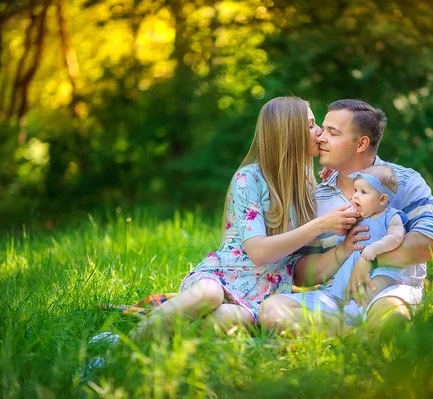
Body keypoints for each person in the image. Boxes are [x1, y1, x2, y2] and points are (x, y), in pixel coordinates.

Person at [131, 97, 362, 340]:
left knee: (231, 318)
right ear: (289, 133)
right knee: (209, 294)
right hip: (222, 276)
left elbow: (302, 271)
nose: (320, 132)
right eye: (311, 125)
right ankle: (123, 345)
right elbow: (259, 253)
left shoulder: (308, 186)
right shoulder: (248, 179)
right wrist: (320, 225)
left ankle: (164, 341)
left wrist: (346, 247)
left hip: (262, 296)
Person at [259, 99, 433, 338]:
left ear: (361, 144)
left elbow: (432, 242)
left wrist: (368, 260)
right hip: (332, 297)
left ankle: (335, 334)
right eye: (322, 129)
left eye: (332, 133)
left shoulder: (404, 181)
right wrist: (344, 252)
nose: (320, 137)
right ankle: (357, 335)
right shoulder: (316, 196)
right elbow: (300, 273)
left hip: (390, 289)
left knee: (391, 314)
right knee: (272, 310)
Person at [329, 165, 408, 321]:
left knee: (374, 286)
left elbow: (397, 236)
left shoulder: (391, 216)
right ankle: (338, 308)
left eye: (363, 192)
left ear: (382, 199)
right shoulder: (362, 218)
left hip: (381, 266)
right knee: (342, 284)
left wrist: (374, 249)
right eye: (355, 191)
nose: (356, 196)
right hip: (355, 263)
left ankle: (358, 311)